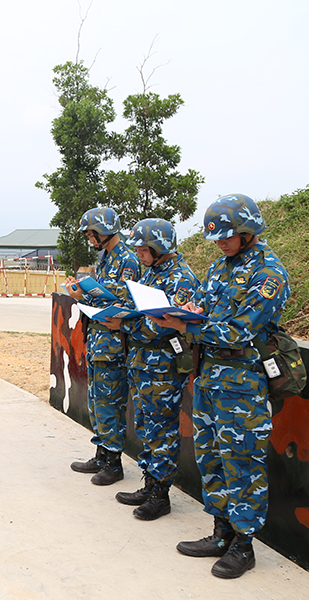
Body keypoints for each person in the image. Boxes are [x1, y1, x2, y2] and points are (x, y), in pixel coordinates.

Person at [151, 194, 290, 579]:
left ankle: (244, 546)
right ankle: (221, 532)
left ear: (248, 231)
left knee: (242, 463)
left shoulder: (269, 273)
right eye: (217, 238)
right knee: (211, 458)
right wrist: (186, 311)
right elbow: (200, 306)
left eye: (228, 236)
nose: (221, 243)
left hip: (242, 385)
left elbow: (239, 331)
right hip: (209, 378)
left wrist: (186, 326)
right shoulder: (218, 267)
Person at [104, 219, 199, 520]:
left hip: (163, 366)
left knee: (162, 430)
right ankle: (150, 484)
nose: (140, 255)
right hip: (143, 363)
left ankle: (161, 495)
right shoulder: (152, 273)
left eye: (144, 250)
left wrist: (124, 325)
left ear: (161, 247)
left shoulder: (181, 278)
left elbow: (161, 326)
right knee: (147, 426)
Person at [64, 207, 140, 485]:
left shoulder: (128, 260)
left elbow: (127, 301)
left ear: (105, 230)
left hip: (114, 343)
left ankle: (113, 463)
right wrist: (81, 294)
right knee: (97, 402)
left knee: (111, 403)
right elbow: (103, 297)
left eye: (91, 234)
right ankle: (102, 454)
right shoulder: (107, 258)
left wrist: (89, 295)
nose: (89, 238)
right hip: (98, 340)